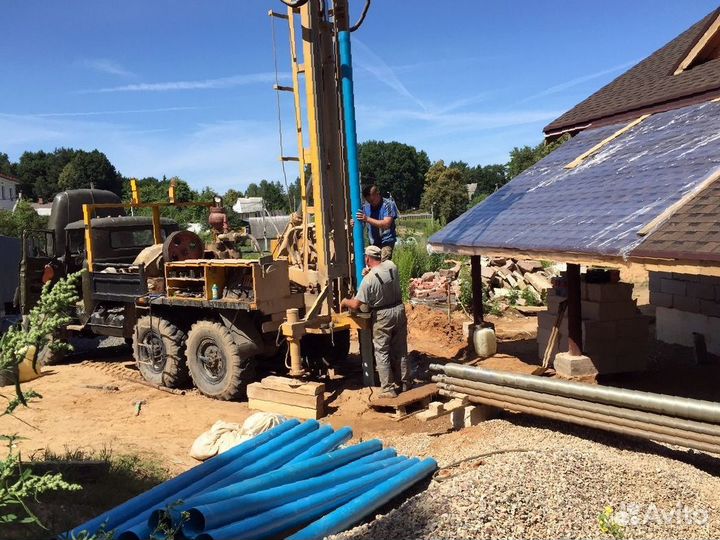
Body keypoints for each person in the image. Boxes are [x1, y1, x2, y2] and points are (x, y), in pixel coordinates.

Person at [340, 245, 411, 398]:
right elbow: (382, 271)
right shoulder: (392, 266)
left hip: (383, 316)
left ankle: (387, 389)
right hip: (399, 309)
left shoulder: (368, 280)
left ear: (367, 258)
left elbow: (356, 304)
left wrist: (345, 301)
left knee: (382, 351)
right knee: (400, 349)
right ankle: (404, 383)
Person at [356, 185, 398, 262]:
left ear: (377, 194)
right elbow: (361, 224)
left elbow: (386, 224)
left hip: (386, 241)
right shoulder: (366, 207)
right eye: (369, 201)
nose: (371, 203)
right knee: (372, 264)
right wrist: (354, 222)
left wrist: (367, 219)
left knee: (382, 264)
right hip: (373, 242)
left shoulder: (388, 204)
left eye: (372, 200)